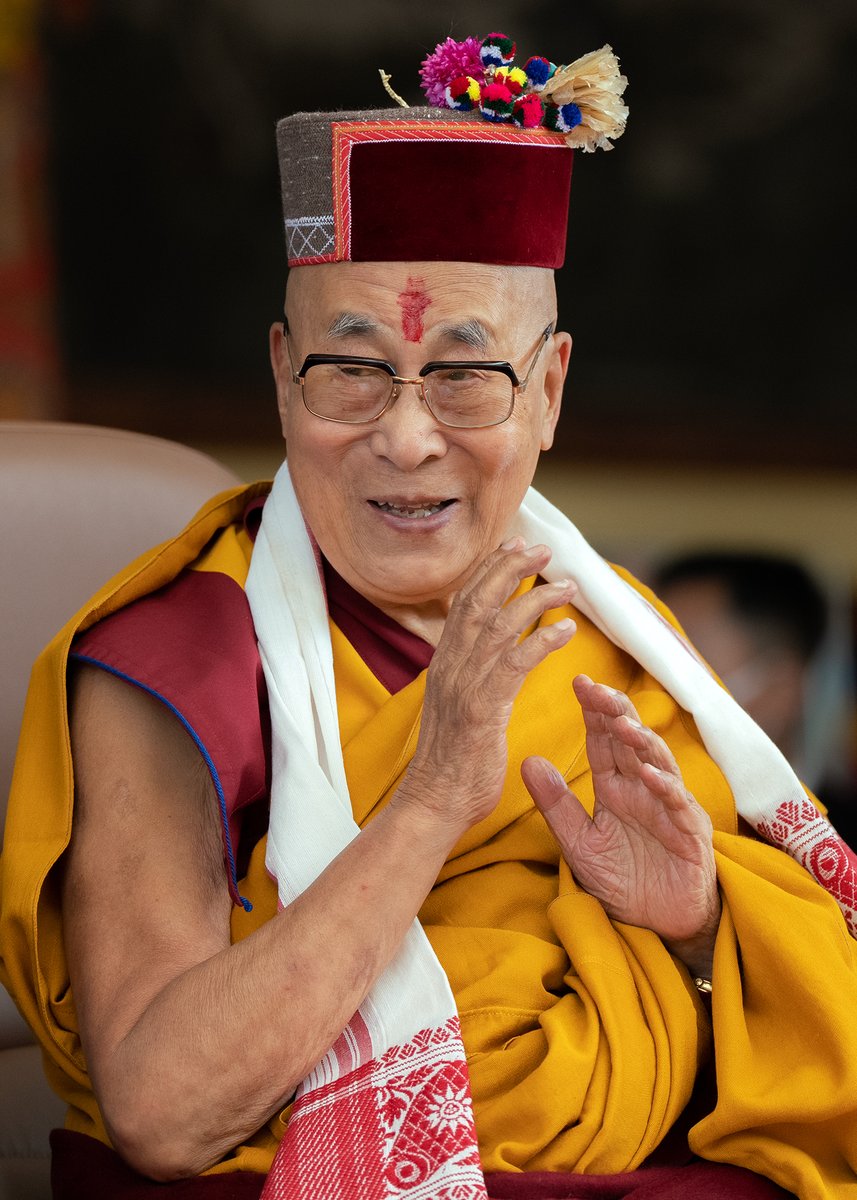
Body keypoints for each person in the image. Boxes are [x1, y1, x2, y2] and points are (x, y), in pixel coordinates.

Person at [2, 32, 856, 1200]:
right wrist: (436, 794)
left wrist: (698, 930)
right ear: (281, 376)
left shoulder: (618, 641)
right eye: (351, 371)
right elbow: (163, 1110)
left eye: (464, 376)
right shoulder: (176, 659)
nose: (406, 439)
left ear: (547, 390)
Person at [655, 551, 857, 846]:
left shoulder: (844, 846)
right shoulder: (619, 824)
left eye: (684, 667)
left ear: (779, 689)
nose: (651, 691)